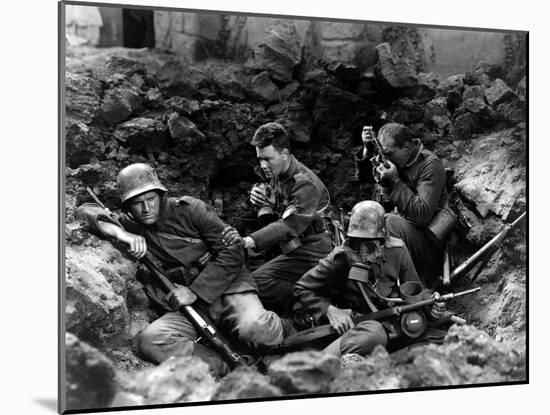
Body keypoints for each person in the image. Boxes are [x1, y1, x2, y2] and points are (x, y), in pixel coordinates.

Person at [75, 163, 285, 376]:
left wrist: (195, 291)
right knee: (150, 341)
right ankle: (226, 366)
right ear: (128, 206)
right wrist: (123, 235)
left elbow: (233, 251)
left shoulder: (190, 209)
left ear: (160, 195)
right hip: (185, 308)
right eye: (138, 203)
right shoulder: (131, 225)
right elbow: (85, 211)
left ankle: (290, 330)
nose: (147, 209)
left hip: (227, 290)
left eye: (151, 200)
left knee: (257, 329)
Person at [293, 201, 446, 357]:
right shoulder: (340, 259)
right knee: (374, 334)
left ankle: (387, 359)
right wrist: (330, 310)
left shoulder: (397, 250)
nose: (363, 254)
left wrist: (431, 304)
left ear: (382, 241)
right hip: (359, 329)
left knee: (442, 339)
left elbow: (414, 290)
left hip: (392, 323)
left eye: (370, 247)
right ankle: (322, 362)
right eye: (357, 245)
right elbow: (301, 288)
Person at [222, 122, 333, 314]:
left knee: (258, 282)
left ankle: (310, 306)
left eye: (267, 159)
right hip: (296, 243)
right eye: (260, 159)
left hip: (316, 247)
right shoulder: (278, 173)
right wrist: (260, 201)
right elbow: (279, 208)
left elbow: (290, 225)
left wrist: (250, 240)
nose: (263, 165)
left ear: (285, 154)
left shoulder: (304, 182)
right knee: (247, 267)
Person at [357, 122, 454, 283]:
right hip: (407, 235)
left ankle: (415, 288)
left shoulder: (430, 165)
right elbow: (364, 182)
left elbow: (422, 215)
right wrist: (369, 151)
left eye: (389, 154)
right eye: (383, 154)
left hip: (429, 244)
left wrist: (395, 181)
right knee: (368, 217)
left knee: (388, 223)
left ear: (407, 147)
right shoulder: (400, 160)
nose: (386, 159)